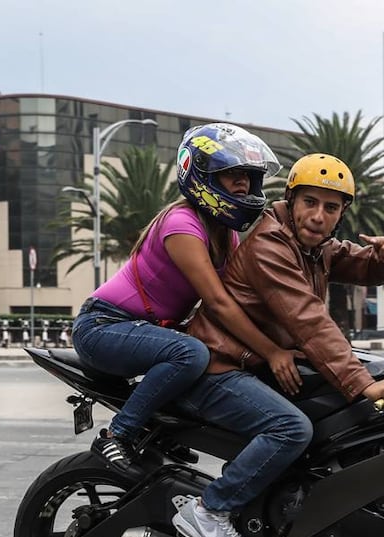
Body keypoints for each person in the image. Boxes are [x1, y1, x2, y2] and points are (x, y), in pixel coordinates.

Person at [172, 153, 384, 537]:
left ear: (341, 214)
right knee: (291, 429)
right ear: (291, 199)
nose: (319, 216)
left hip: (252, 366)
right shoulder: (272, 243)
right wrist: (362, 383)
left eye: (331, 207)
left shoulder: (312, 245)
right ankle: (211, 510)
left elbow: (354, 261)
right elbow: (309, 319)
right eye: (310, 203)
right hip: (220, 366)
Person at [72, 123, 298, 473]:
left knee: (210, 354)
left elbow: (243, 298)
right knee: (190, 353)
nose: (243, 183)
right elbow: (220, 303)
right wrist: (271, 353)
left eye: (249, 176)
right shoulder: (182, 225)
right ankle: (117, 435)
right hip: (103, 326)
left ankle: (162, 432)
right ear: (202, 175)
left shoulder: (225, 234)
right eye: (231, 174)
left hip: (145, 330)